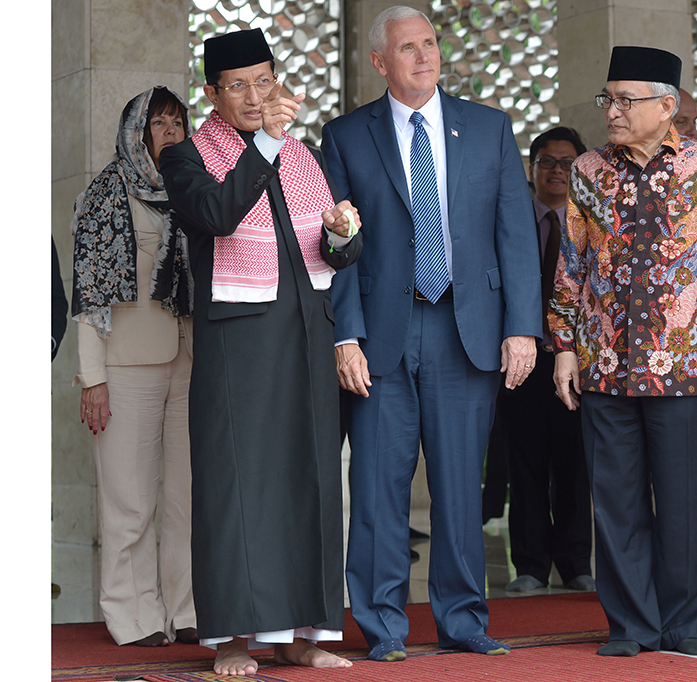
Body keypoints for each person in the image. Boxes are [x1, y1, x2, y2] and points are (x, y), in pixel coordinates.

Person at [321, 5, 541, 662]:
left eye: (430, 43)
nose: (424, 56)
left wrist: (523, 330)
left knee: (457, 488)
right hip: (382, 335)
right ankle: (384, 626)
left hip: (465, 332)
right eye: (407, 48)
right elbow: (335, 247)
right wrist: (345, 336)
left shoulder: (489, 128)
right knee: (378, 491)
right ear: (380, 62)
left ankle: (464, 620)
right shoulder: (346, 136)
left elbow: (517, 238)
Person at [160, 29, 363, 676]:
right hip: (239, 341)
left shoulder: (304, 157)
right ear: (213, 94)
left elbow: (336, 255)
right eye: (239, 85)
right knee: (237, 483)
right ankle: (236, 639)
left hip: (305, 330)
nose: (256, 95)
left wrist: (343, 232)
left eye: (264, 80)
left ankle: (303, 634)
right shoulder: (187, 157)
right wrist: (268, 145)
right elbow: (218, 215)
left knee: (309, 476)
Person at [550, 46, 697, 658]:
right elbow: (572, 264)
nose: (612, 111)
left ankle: (687, 624)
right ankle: (632, 626)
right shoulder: (588, 171)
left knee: (689, 503)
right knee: (616, 505)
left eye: (625, 100)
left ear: (667, 106)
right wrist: (564, 347)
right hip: (606, 364)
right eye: (607, 99)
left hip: (687, 362)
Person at [71, 86, 197, 647]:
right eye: (159, 122)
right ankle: (133, 615)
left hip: (189, 363)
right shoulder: (104, 194)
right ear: (136, 131)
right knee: (130, 500)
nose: (170, 132)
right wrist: (92, 379)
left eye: (177, 122)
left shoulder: (192, 190)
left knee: (186, 497)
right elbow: (88, 299)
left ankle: (187, 610)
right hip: (125, 368)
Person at [500, 127, 594, 594]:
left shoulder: (593, 223)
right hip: (522, 361)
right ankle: (531, 566)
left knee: (577, 464)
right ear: (532, 169)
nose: (557, 170)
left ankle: (577, 563)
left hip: (578, 360)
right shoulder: (511, 218)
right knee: (527, 463)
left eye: (567, 163)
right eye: (547, 162)